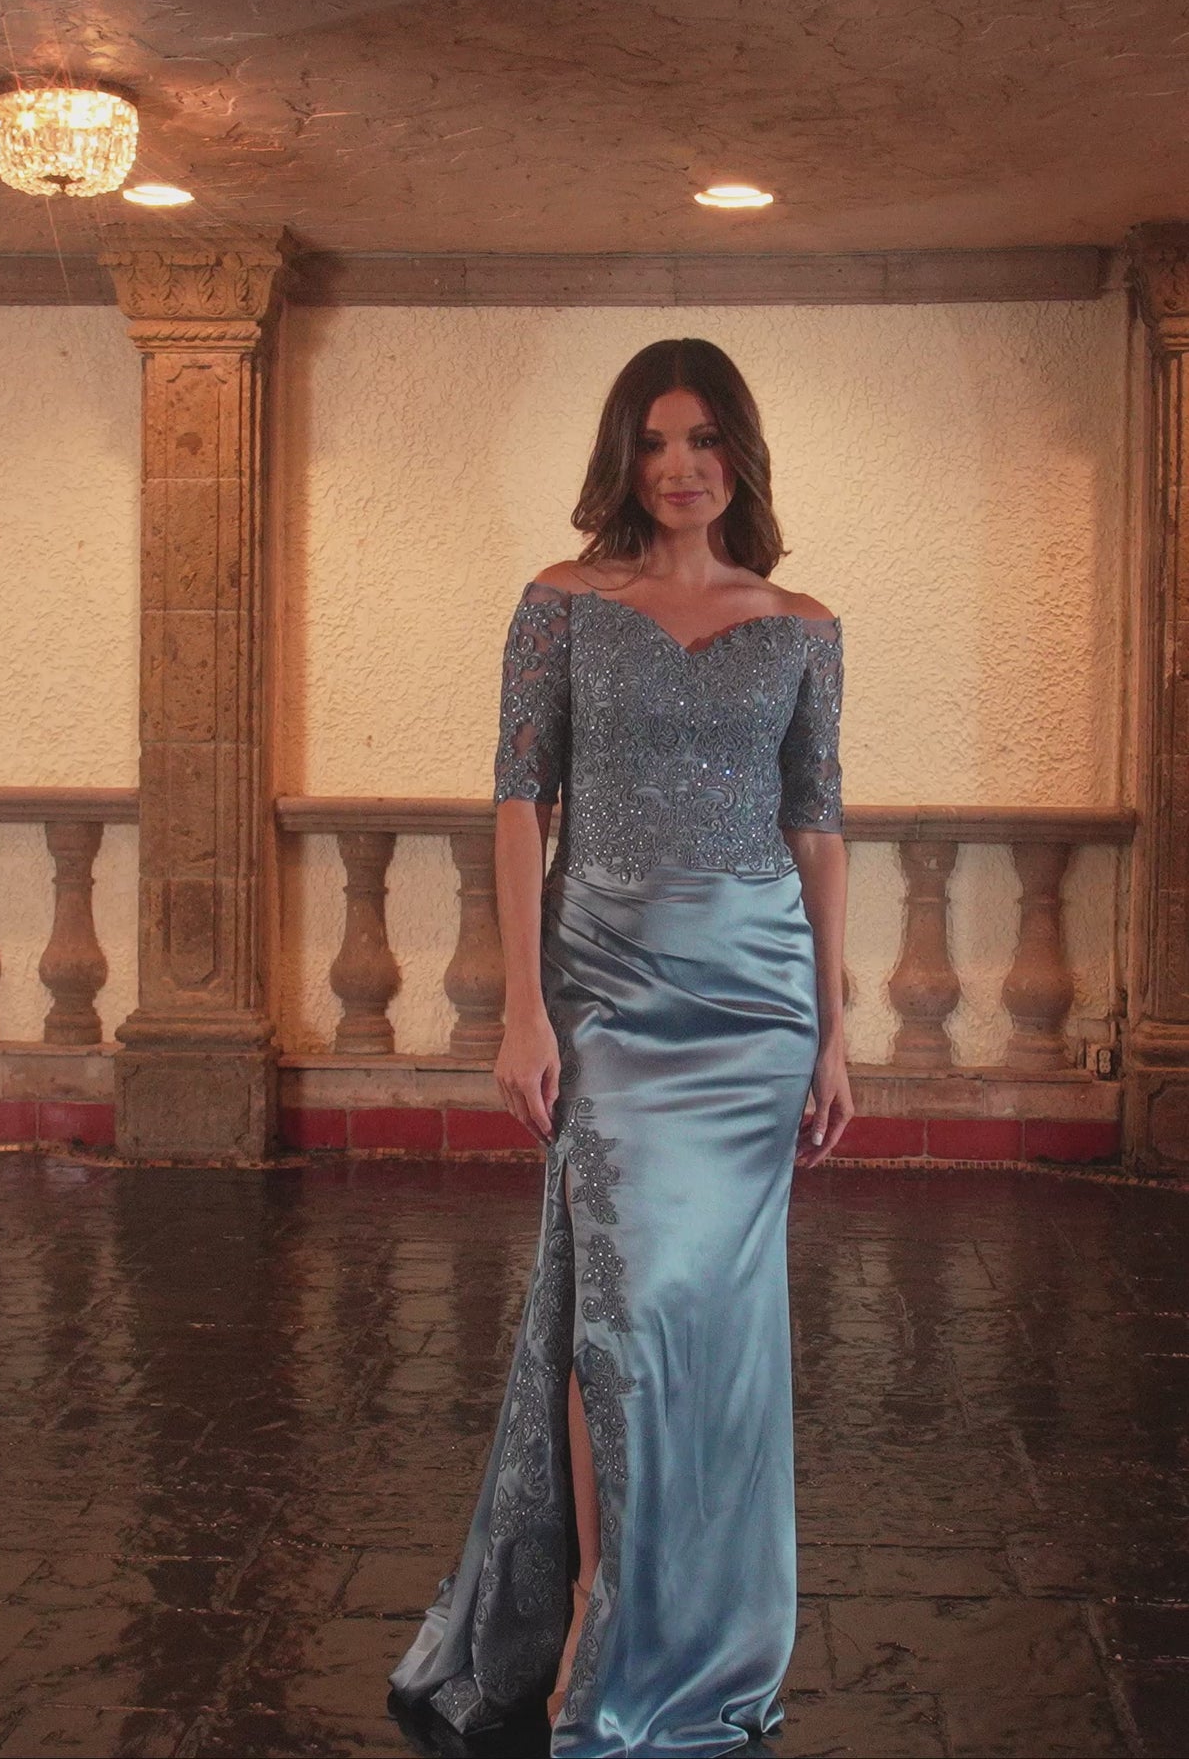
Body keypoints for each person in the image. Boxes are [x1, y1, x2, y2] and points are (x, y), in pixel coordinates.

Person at [388, 337, 853, 1758]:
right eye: (653, 441)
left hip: (757, 1003)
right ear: (622, 456)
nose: (678, 467)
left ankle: (711, 1627)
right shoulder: (562, 604)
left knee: (720, 1325)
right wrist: (521, 1008)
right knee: (624, 1308)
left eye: (703, 440)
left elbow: (817, 826)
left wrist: (834, 1031)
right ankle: (601, 1602)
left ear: (739, 456)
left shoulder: (804, 623)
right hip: (605, 990)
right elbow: (518, 800)